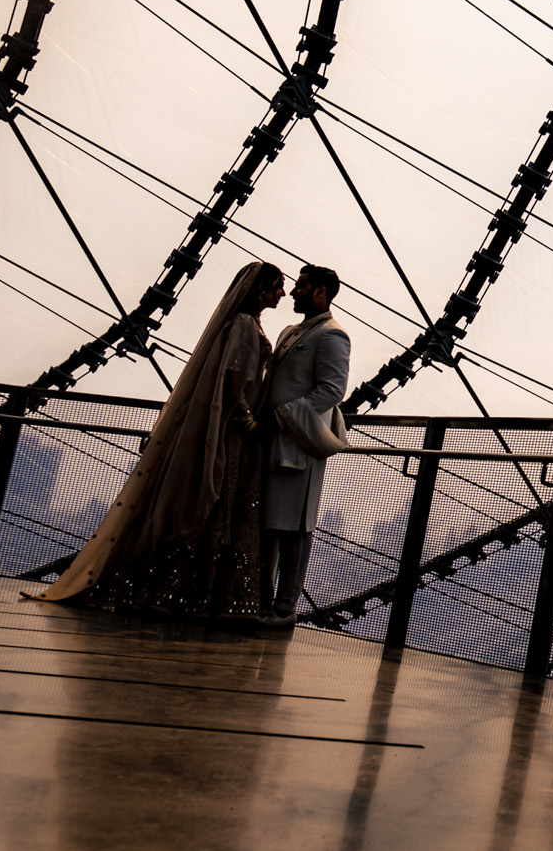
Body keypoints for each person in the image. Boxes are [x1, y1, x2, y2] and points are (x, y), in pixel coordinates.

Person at [32, 261, 282, 617]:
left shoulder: (243, 323)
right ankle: (196, 599)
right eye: (277, 286)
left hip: (228, 430)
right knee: (214, 509)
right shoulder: (243, 325)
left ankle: (182, 595)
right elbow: (232, 381)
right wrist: (247, 422)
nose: (282, 293)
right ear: (261, 289)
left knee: (212, 509)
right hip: (231, 434)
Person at [261, 264, 350, 624]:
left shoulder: (332, 335)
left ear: (322, 293)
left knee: (296, 528)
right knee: (270, 524)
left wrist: (284, 416)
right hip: (275, 439)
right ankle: (265, 601)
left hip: (299, 444)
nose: (294, 292)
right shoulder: (290, 332)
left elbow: (332, 390)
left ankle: (285, 607)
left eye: (302, 286)